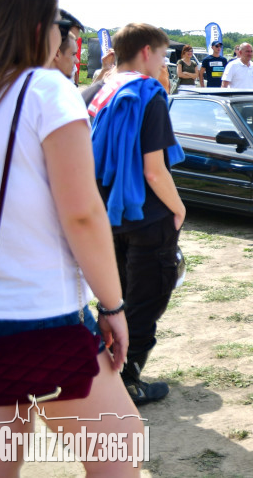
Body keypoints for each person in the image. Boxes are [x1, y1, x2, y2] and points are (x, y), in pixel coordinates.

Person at [0, 0, 142, 477]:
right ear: (36, 29)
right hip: (38, 313)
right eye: (59, 23)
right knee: (120, 450)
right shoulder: (43, 87)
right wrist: (114, 306)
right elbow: (81, 212)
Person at [87, 23, 187, 408]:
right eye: (163, 56)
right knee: (146, 298)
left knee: (115, 297)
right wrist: (178, 208)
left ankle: (107, 371)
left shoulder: (94, 92)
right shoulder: (149, 94)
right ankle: (127, 382)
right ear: (147, 52)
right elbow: (154, 169)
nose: (164, 63)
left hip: (105, 215)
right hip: (146, 217)